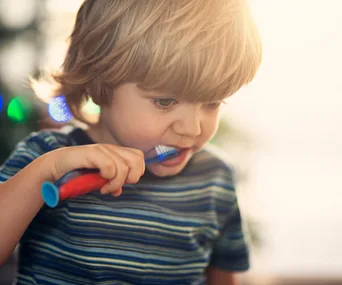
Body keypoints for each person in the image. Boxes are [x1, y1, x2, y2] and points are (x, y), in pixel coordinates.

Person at [0, 0, 262, 284]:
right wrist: (45, 172)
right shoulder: (47, 156)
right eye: (165, 101)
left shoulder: (214, 178)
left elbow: (222, 277)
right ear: (100, 82)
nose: (192, 128)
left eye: (212, 102)